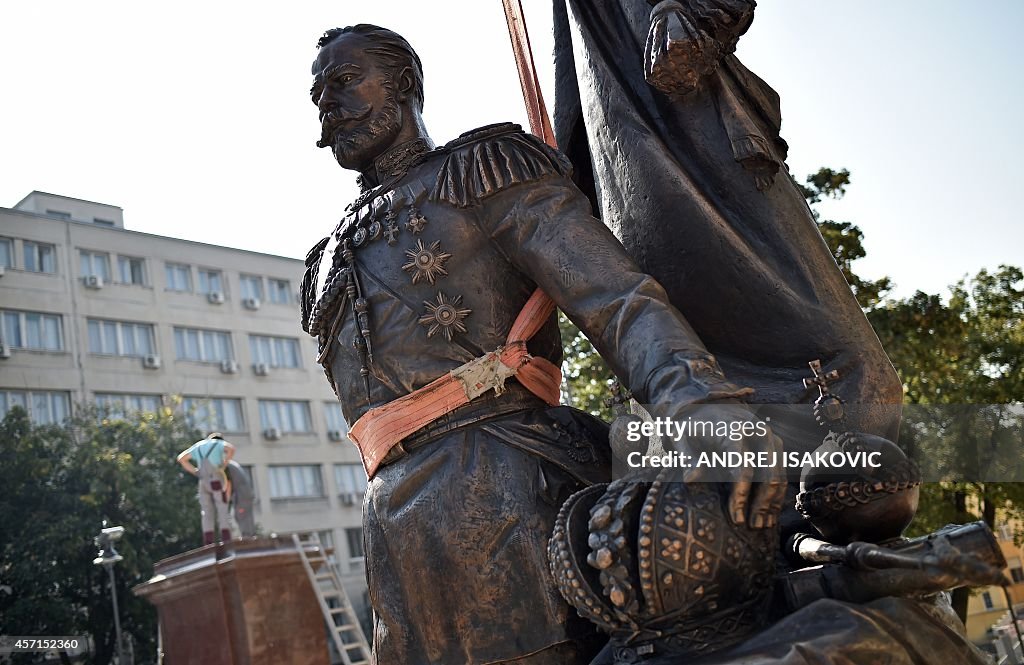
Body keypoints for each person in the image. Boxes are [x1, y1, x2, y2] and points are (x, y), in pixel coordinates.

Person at [301, 24, 785, 664]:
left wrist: (705, 409)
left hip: (511, 492)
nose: (328, 106)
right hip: (397, 539)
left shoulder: (481, 171)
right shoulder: (321, 260)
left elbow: (616, 299)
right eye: (318, 97)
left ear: (405, 84)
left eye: (342, 82)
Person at [176, 432, 235, 546]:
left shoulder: (198, 446)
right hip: (216, 480)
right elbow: (231, 449)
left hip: (203, 481)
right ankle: (226, 540)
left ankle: (208, 543)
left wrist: (195, 471)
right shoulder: (218, 442)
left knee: (206, 512)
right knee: (222, 508)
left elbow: (181, 458)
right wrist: (224, 464)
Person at [225, 459, 256, 537]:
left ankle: (247, 538)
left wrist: (225, 501)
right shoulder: (231, 463)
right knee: (246, 517)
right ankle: (249, 536)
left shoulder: (225, 466)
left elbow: (228, 484)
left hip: (241, 496)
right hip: (246, 494)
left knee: (241, 515)